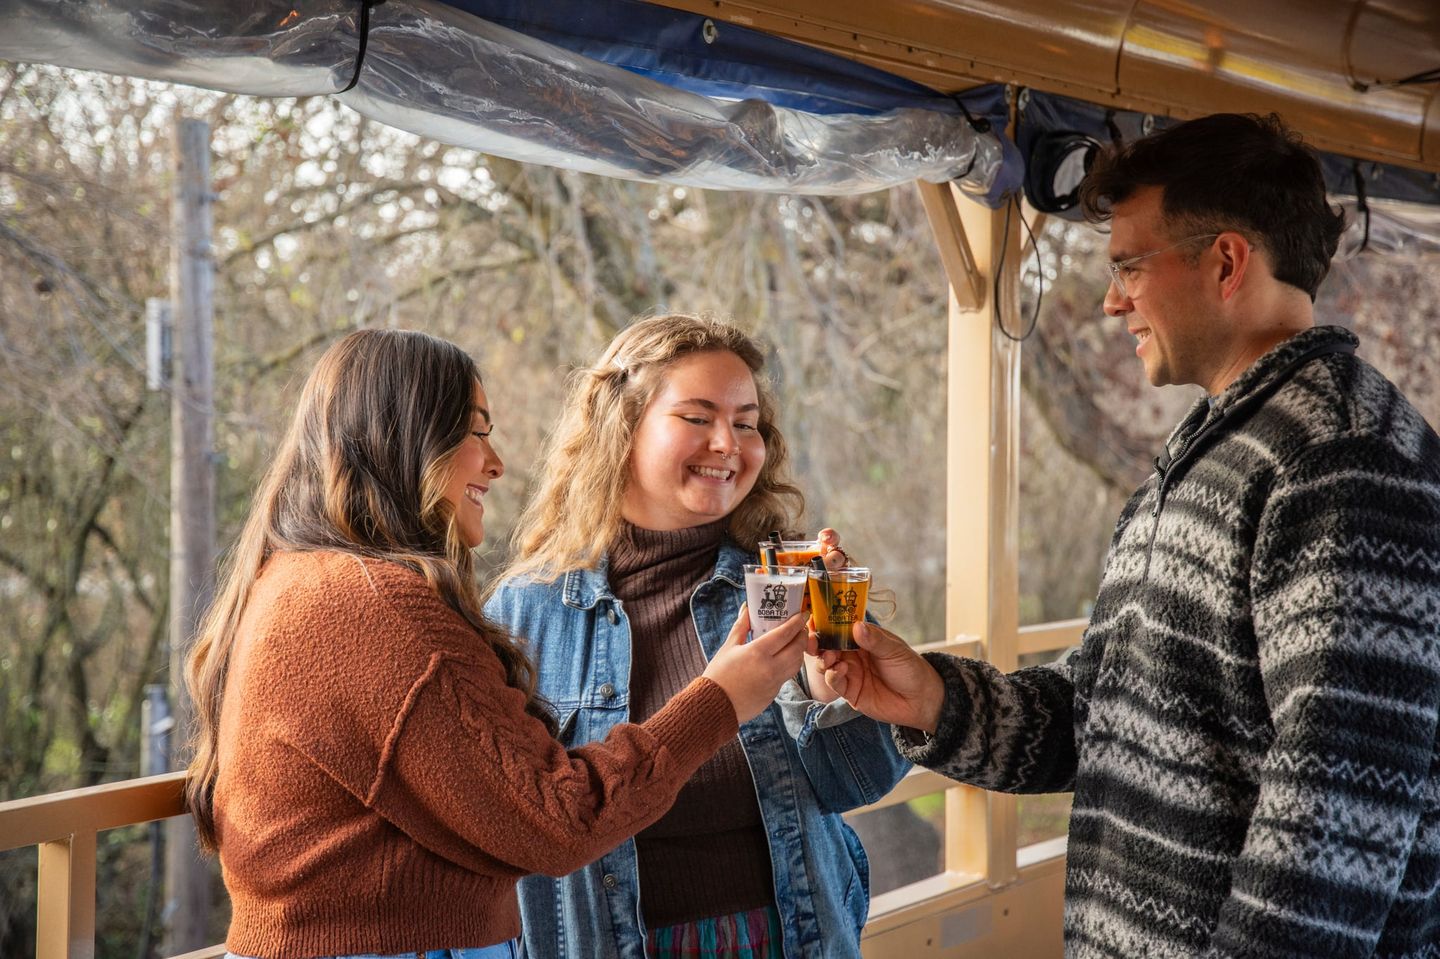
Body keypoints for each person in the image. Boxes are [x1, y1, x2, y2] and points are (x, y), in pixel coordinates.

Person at [819, 113, 1440, 958]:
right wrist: (927, 695)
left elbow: (1337, 815)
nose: (1111, 300)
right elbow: (1100, 714)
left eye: (1128, 267)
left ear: (1225, 261)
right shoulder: (1220, 446)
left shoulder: (1343, 457)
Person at [184, 329, 811, 959]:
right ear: (409, 438)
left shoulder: (300, 582)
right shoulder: (374, 606)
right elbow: (559, 821)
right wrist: (722, 698)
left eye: (746, 422)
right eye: (475, 431)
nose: (495, 461)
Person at [486, 313, 910, 959]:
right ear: (622, 425)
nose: (728, 443)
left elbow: (865, 780)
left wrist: (832, 685)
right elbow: (511, 824)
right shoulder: (526, 611)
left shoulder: (793, 584)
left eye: (746, 423)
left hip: (790, 940)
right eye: (697, 416)